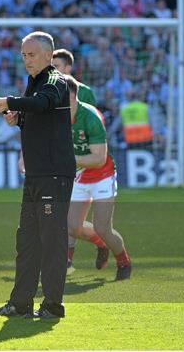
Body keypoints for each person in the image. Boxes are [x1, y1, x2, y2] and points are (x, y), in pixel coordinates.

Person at [0, 31, 75, 319]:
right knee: (27, 242)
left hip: (53, 175)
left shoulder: (56, 81)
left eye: (32, 54)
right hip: (36, 176)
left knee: (51, 242)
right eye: (23, 55)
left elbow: (42, 103)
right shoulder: (35, 83)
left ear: (49, 56)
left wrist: (11, 103)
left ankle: (52, 306)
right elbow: (37, 115)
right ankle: (20, 303)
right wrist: (18, 119)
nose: (27, 60)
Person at [63, 75, 132, 281]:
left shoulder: (91, 116)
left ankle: (124, 261)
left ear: (72, 96)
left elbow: (99, 159)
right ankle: (101, 244)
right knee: (72, 226)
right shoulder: (56, 117)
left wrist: (67, 159)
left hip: (102, 175)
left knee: (103, 227)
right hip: (79, 176)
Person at [51, 48, 105, 274]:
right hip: (60, 160)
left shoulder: (85, 93)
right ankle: (66, 260)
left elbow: (94, 124)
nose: (52, 70)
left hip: (82, 164)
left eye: (56, 66)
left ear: (68, 68)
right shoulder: (50, 90)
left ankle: (77, 254)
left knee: (69, 218)